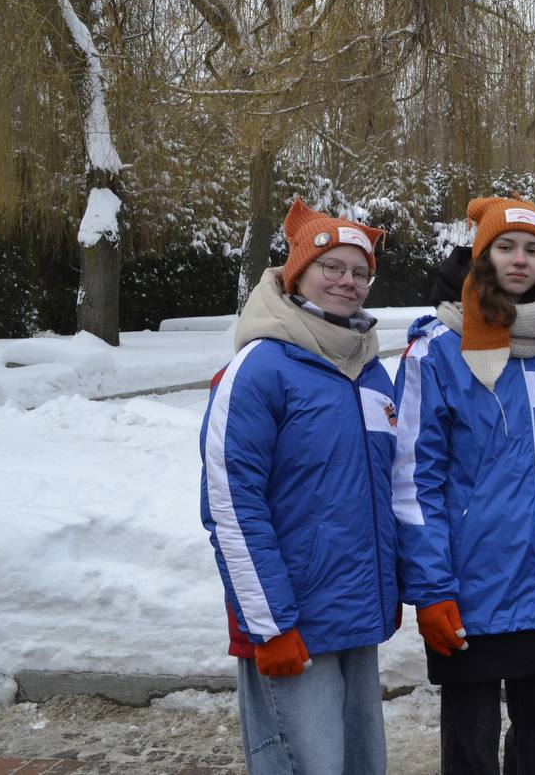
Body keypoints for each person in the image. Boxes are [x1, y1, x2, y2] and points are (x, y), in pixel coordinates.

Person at [393, 195, 535, 775]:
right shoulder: (437, 352)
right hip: (471, 589)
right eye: (505, 247)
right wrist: (431, 588)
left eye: (533, 249)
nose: (520, 260)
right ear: (481, 256)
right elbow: (414, 481)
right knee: (472, 751)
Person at [200, 197, 400, 775]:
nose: (348, 281)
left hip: (355, 618)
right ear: (297, 274)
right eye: (331, 267)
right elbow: (231, 506)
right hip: (290, 624)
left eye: (360, 272)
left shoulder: (369, 371)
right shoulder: (261, 368)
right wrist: (270, 625)